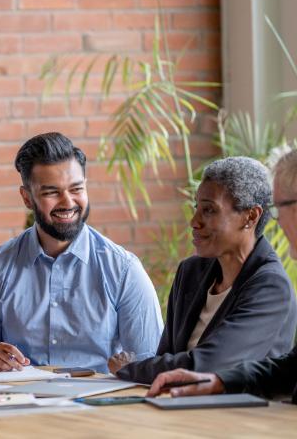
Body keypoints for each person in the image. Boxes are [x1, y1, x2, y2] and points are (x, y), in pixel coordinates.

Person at [0, 132, 162, 374]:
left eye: (76, 189)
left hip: (97, 406)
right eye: (51, 192)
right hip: (21, 404)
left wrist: (130, 369)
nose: (68, 202)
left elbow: (151, 367)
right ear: (27, 198)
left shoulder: (124, 270)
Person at [113, 156, 297, 384]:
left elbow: (211, 364)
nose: (194, 221)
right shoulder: (190, 272)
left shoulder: (271, 286)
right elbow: (166, 356)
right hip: (175, 402)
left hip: (235, 414)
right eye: (196, 208)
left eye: (209, 210)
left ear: (250, 217)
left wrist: (131, 368)